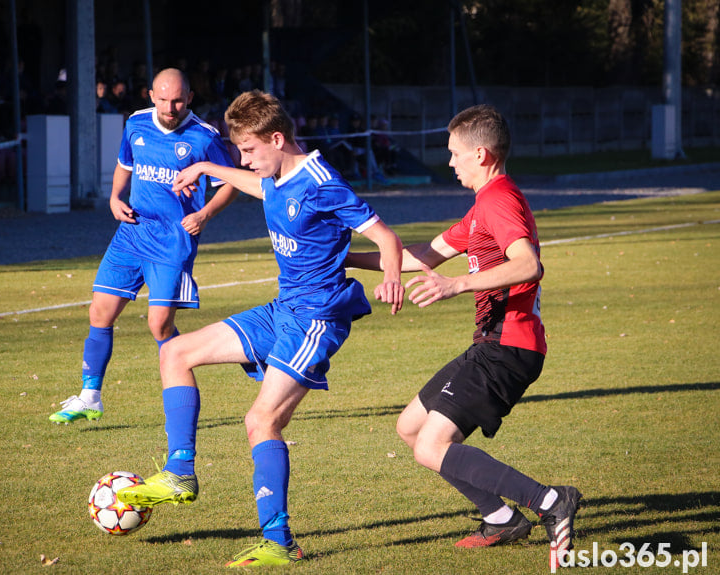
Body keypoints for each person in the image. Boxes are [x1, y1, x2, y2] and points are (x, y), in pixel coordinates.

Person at [116, 90, 405, 567]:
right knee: (175, 353)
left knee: (261, 421)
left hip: (316, 318)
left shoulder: (320, 182)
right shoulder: (275, 174)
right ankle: (179, 474)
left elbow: (385, 236)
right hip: (282, 308)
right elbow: (259, 188)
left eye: (250, 151)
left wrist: (393, 278)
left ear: (277, 138)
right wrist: (207, 169)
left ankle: (279, 542)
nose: (246, 162)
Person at [346, 104, 581, 570]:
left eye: (455, 154)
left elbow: (528, 263)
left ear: (482, 154)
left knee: (432, 445)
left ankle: (552, 500)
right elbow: (424, 255)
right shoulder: (482, 208)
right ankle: (501, 519)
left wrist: (457, 284)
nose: (449, 162)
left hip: (508, 347)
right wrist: (348, 259)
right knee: (411, 428)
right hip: (493, 345)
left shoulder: (499, 201)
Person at [49, 68, 238, 424]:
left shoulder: (204, 137)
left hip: (172, 242)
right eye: (164, 99)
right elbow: (125, 164)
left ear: (190, 98)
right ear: (151, 96)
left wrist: (205, 214)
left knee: (159, 326)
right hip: (132, 234)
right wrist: (114, 198)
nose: (171, 107)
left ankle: (181, 404)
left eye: (178, 100)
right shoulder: (136, 123)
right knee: (99, 312)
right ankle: (90, 396)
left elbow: (230, 183)